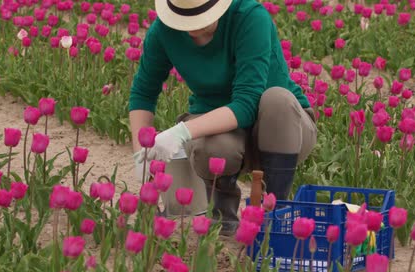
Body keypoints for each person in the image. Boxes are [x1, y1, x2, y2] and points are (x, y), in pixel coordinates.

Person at [129, 0, 317, 235]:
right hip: (225, 132)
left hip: (286, 129)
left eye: (199, 16)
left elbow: (247, 103)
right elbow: (143, 93)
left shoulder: (249, 17)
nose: (191, 27)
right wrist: (142, 152)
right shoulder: (164, 31)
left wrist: (181, 132)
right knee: (213, 145)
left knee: (277, 99)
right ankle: (221, 216)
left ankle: (274, 215)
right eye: (184, 18)